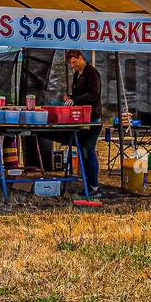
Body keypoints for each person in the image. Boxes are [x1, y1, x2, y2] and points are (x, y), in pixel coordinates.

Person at [65, 49, 103, 196]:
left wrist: (76, 99)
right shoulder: (76, 74)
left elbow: (93, 95)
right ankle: (88, 184)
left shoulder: (92, 73)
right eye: (71, 63)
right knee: (82, 150)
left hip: (93, 118)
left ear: (81, 58)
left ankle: (94, 187)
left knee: (88, 150)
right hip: (80, 118)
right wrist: (70, 97)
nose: (73, 65)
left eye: (74, 62)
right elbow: (77, 95)